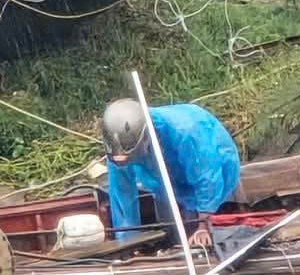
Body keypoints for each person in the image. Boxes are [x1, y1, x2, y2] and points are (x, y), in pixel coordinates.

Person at [99, 98, 241, 239]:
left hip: (214, 163)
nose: (121, 159)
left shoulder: (185, 131)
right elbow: (122, 193)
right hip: (161, 178)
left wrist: (203, 224)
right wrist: (127, 240)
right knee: (171, 228)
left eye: (128, 156)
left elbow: (207, 175)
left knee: (205, 224)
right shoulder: (116, 148)